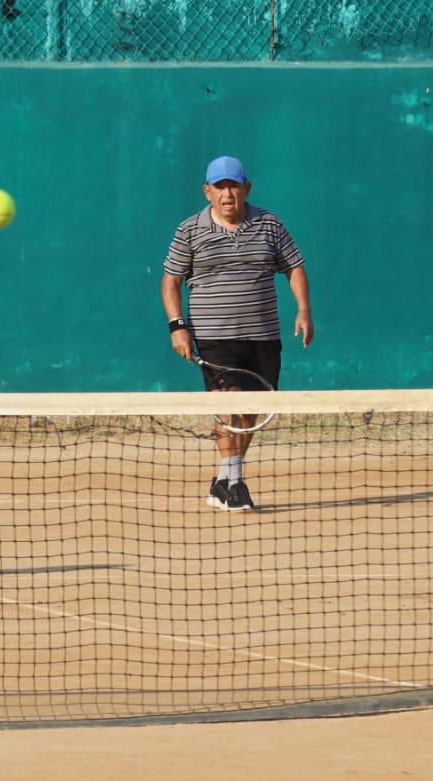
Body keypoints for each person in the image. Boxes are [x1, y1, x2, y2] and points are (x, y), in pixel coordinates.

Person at [161, 155, 313, 513]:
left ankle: (223, 478)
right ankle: (236, 483)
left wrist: (304, 310)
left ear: (247, 188)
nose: (227, 193)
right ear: (208, 191)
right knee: (229, 406)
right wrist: (177, 326)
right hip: (215, 337)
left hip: (263, 336)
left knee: (249, 414)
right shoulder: (189, 230)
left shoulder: (269, 225)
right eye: (219, 186)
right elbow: (171, 281)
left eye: (233, 185)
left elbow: (294, 267)